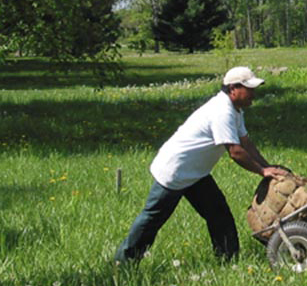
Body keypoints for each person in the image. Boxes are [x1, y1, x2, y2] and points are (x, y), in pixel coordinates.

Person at [115, 67, 288, 263]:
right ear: (233, 89)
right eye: (249, 89)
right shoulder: (222, 112)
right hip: (176, 171)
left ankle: (227, 260)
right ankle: (123, 261)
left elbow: (246, 143)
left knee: (218, 213)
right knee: (152, 220)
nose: (253, 94)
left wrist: (268, 167)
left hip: (195, 173)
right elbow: (235, 151)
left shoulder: (235, 110)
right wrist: (262, 170)